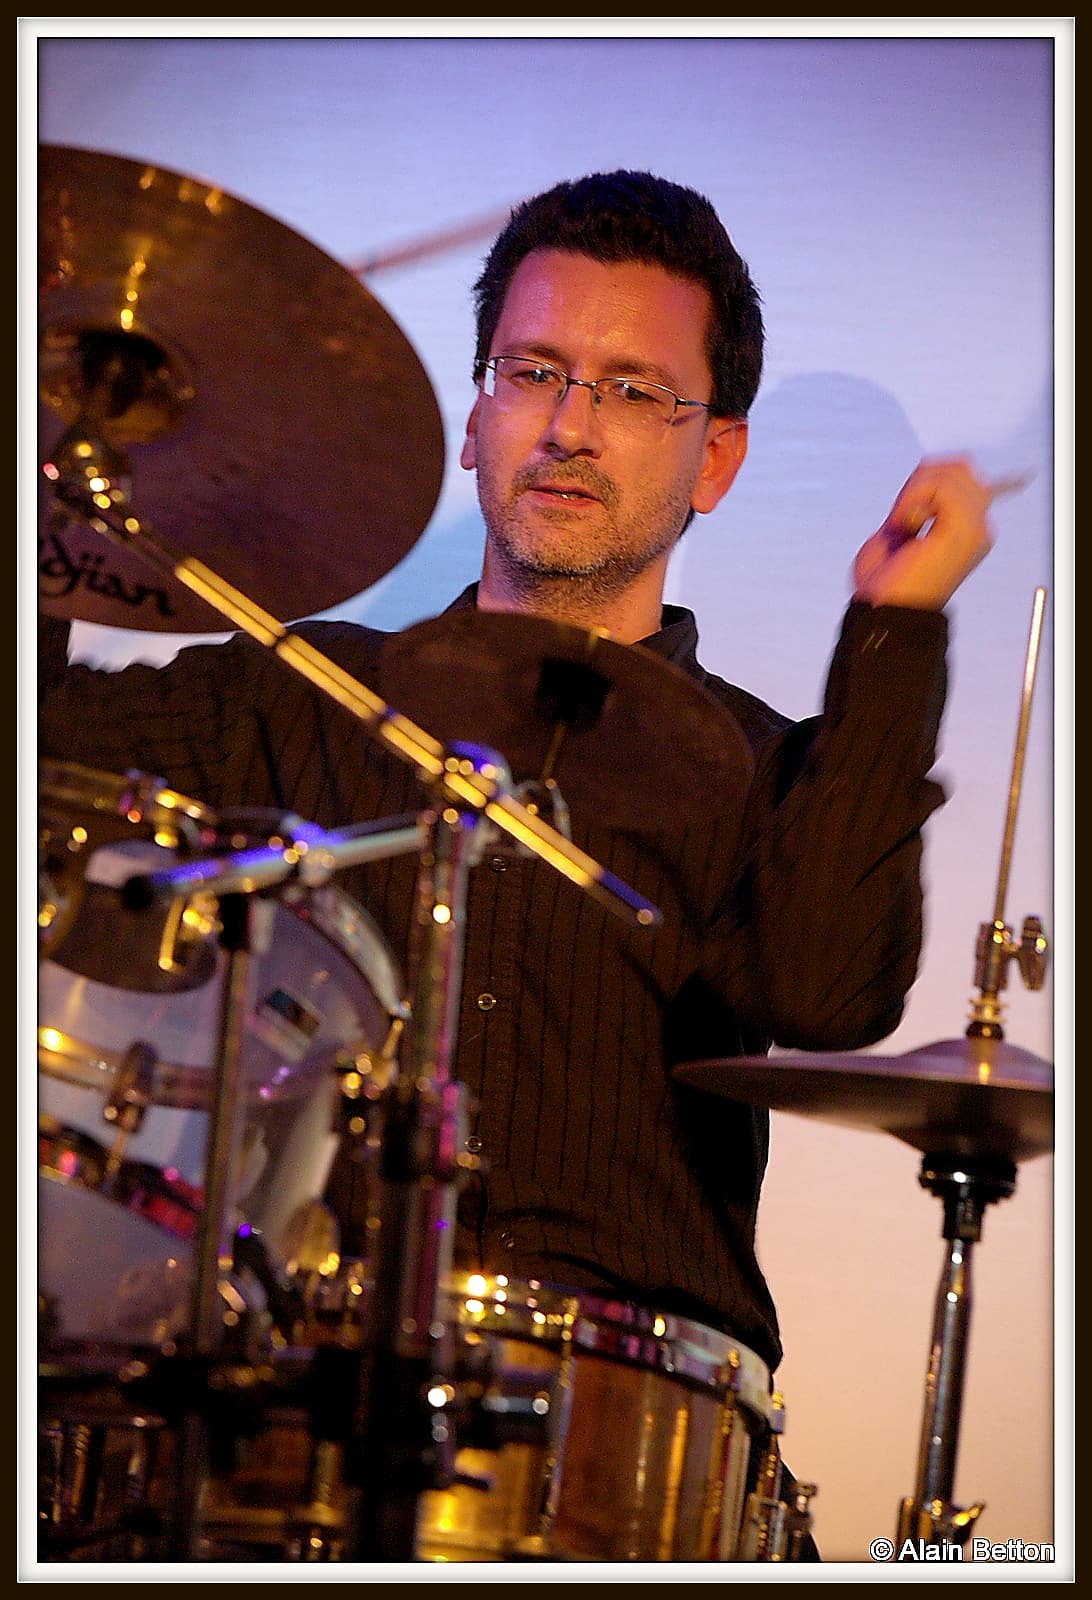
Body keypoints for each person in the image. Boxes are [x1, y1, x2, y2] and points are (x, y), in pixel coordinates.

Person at [38, 170, 996, 1559]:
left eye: (633, 390)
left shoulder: (768, 775)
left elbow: (832, 991)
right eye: (534, 371)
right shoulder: (289, 692)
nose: (568, 424)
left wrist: (894, 630)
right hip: (274, 1427)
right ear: (477, 415)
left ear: (716, 459)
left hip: (639, 1456)